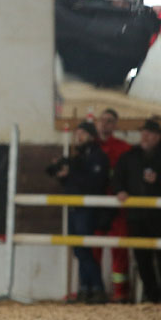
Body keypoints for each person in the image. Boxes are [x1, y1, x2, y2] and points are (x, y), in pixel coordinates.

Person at [114, 119, 161, 303]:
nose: (144, 136)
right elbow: (117, 177)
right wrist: (120, 190)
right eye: (143, 132)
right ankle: (151, 294)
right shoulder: (130, 156)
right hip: (137, 216)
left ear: (158, 136)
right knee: (142, 257)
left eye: (149, 133)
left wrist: (160, 179)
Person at [48, 121, 110, 303]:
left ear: (91, 136)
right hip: (75, 207)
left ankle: (96, 287)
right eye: (78, 133)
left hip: (87, 208)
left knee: (83, 249)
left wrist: (70, 174)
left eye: (82, 133)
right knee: (79, 249)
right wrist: (64, 176)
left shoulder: (98, 157)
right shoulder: (79, 158)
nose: (79, 137)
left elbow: (95, 183)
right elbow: (74, 182)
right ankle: (87, 288)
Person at [96, 108, 133, 302]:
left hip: (117, 206)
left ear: (115, 124)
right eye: (102, 120)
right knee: (94, 248)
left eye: (109, 121)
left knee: (119, 249)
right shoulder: (89, 146)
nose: (104, 124)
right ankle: (95, 290)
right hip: (96, 206)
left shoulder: (124, 148)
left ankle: (121, 292)